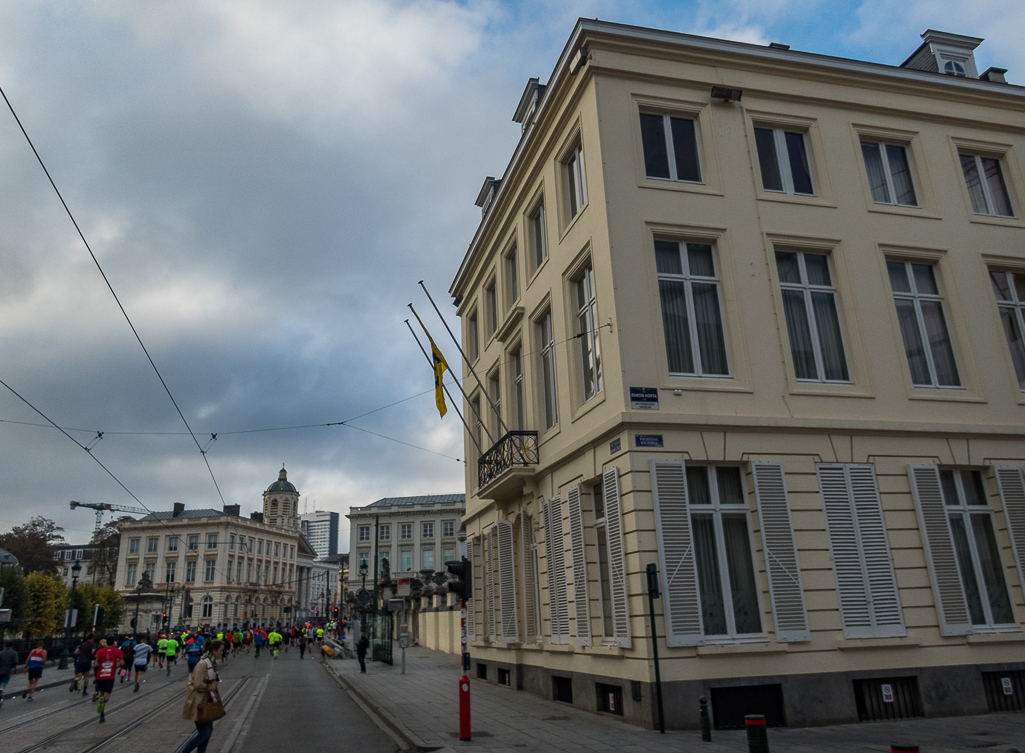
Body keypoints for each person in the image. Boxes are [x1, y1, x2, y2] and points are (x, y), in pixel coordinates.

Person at [181, 639, 224, 753]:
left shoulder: (210, 663)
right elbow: (198, 684)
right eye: (221, 650)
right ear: (214, 650)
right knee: (204, 733)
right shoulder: (203, 664)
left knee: (207, 732)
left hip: (207, 700)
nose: (222, 653)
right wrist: (212, 686)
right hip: (199, 702)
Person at [92, 639, 124, 723]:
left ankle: (102, 714)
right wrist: (116, 666)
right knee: (107, 696)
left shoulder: (100, 651)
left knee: (102, 694)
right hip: (110, 676)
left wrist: (97, 665)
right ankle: (104, 700)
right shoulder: (116, 651)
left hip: (100, 676)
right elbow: (122, 662)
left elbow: (95, 662)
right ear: (113, 643)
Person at [0, 641, 20, 707]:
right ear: (12, 646)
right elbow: (16, 661)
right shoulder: (14, 653)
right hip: (7, 670)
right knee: (4, 682)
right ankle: (1, 691)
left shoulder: (1, 652)